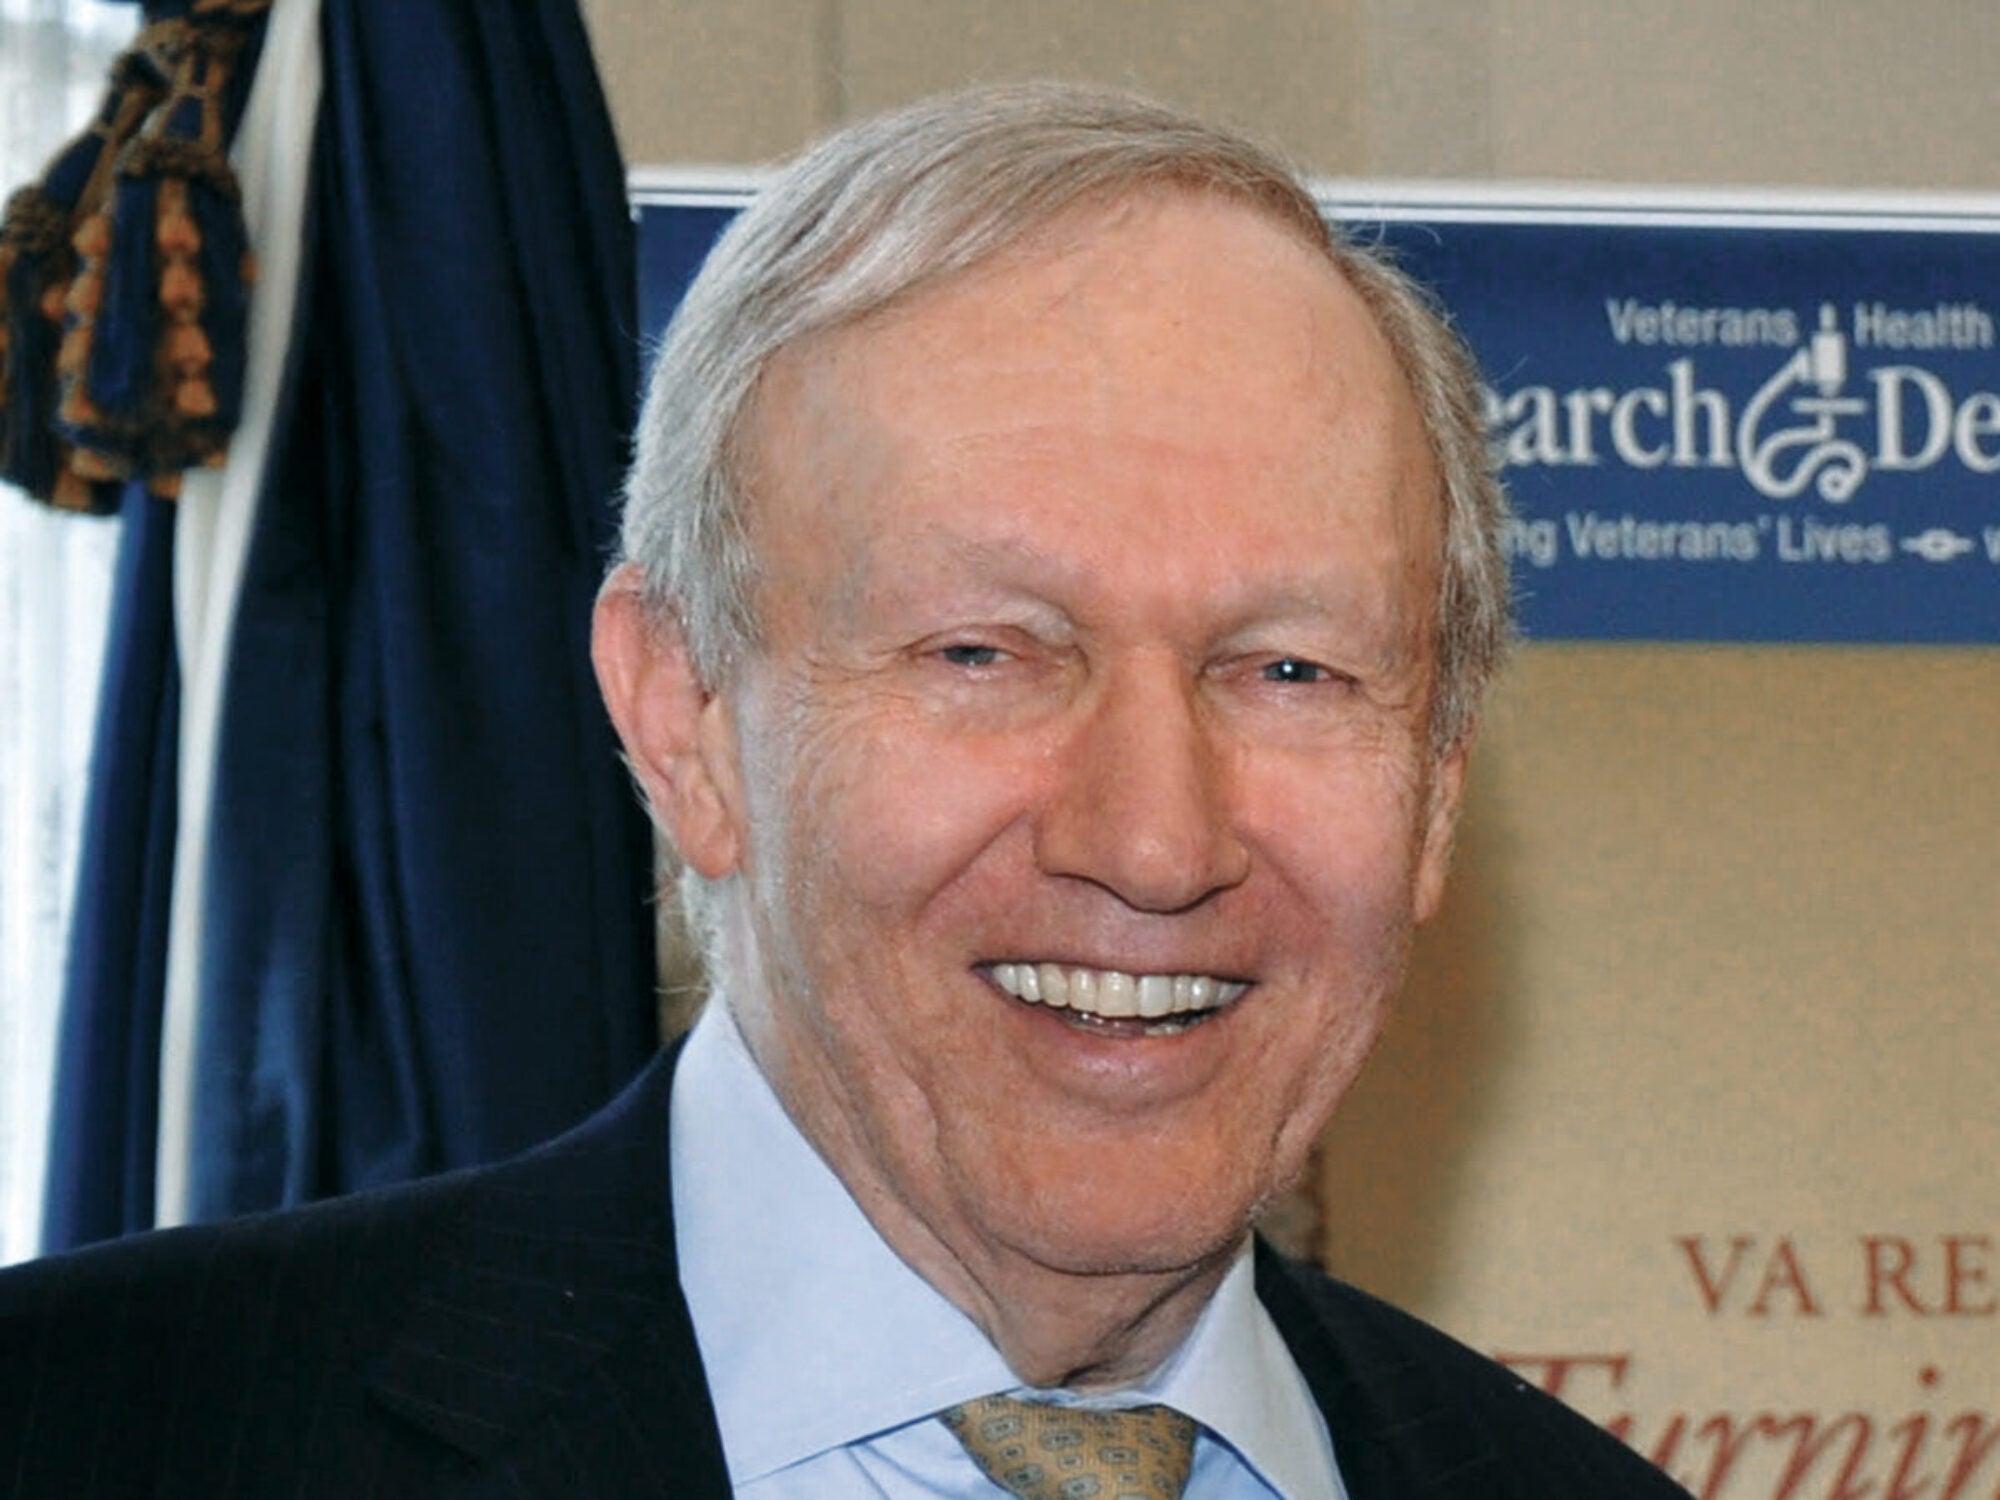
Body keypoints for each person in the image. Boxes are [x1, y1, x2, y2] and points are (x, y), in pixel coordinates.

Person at [0, 83, 1689, 1498]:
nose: (1158, 842)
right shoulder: (91, 1435)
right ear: (687, 723)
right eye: (987, 653)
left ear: (1439, 785)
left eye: (1292, 670)